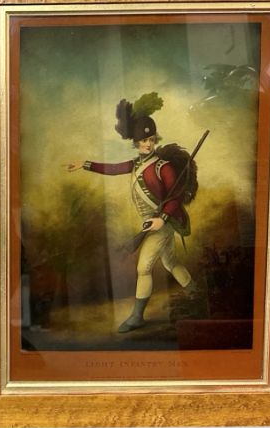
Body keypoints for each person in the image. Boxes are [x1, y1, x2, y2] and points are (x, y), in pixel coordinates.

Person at [67, 92, 196, 333]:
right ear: (135, 142)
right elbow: (113, 169)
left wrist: (162, 219)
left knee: (143, 268)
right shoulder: (136, 164)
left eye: (151, 139)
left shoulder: (164, 167)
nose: (148, 144)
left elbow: (176, 196)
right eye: (143, 140)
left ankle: (137, 316)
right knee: (170, 261)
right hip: (151, 223)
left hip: (163, 223)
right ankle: (194, 293)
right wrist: (85, 164)